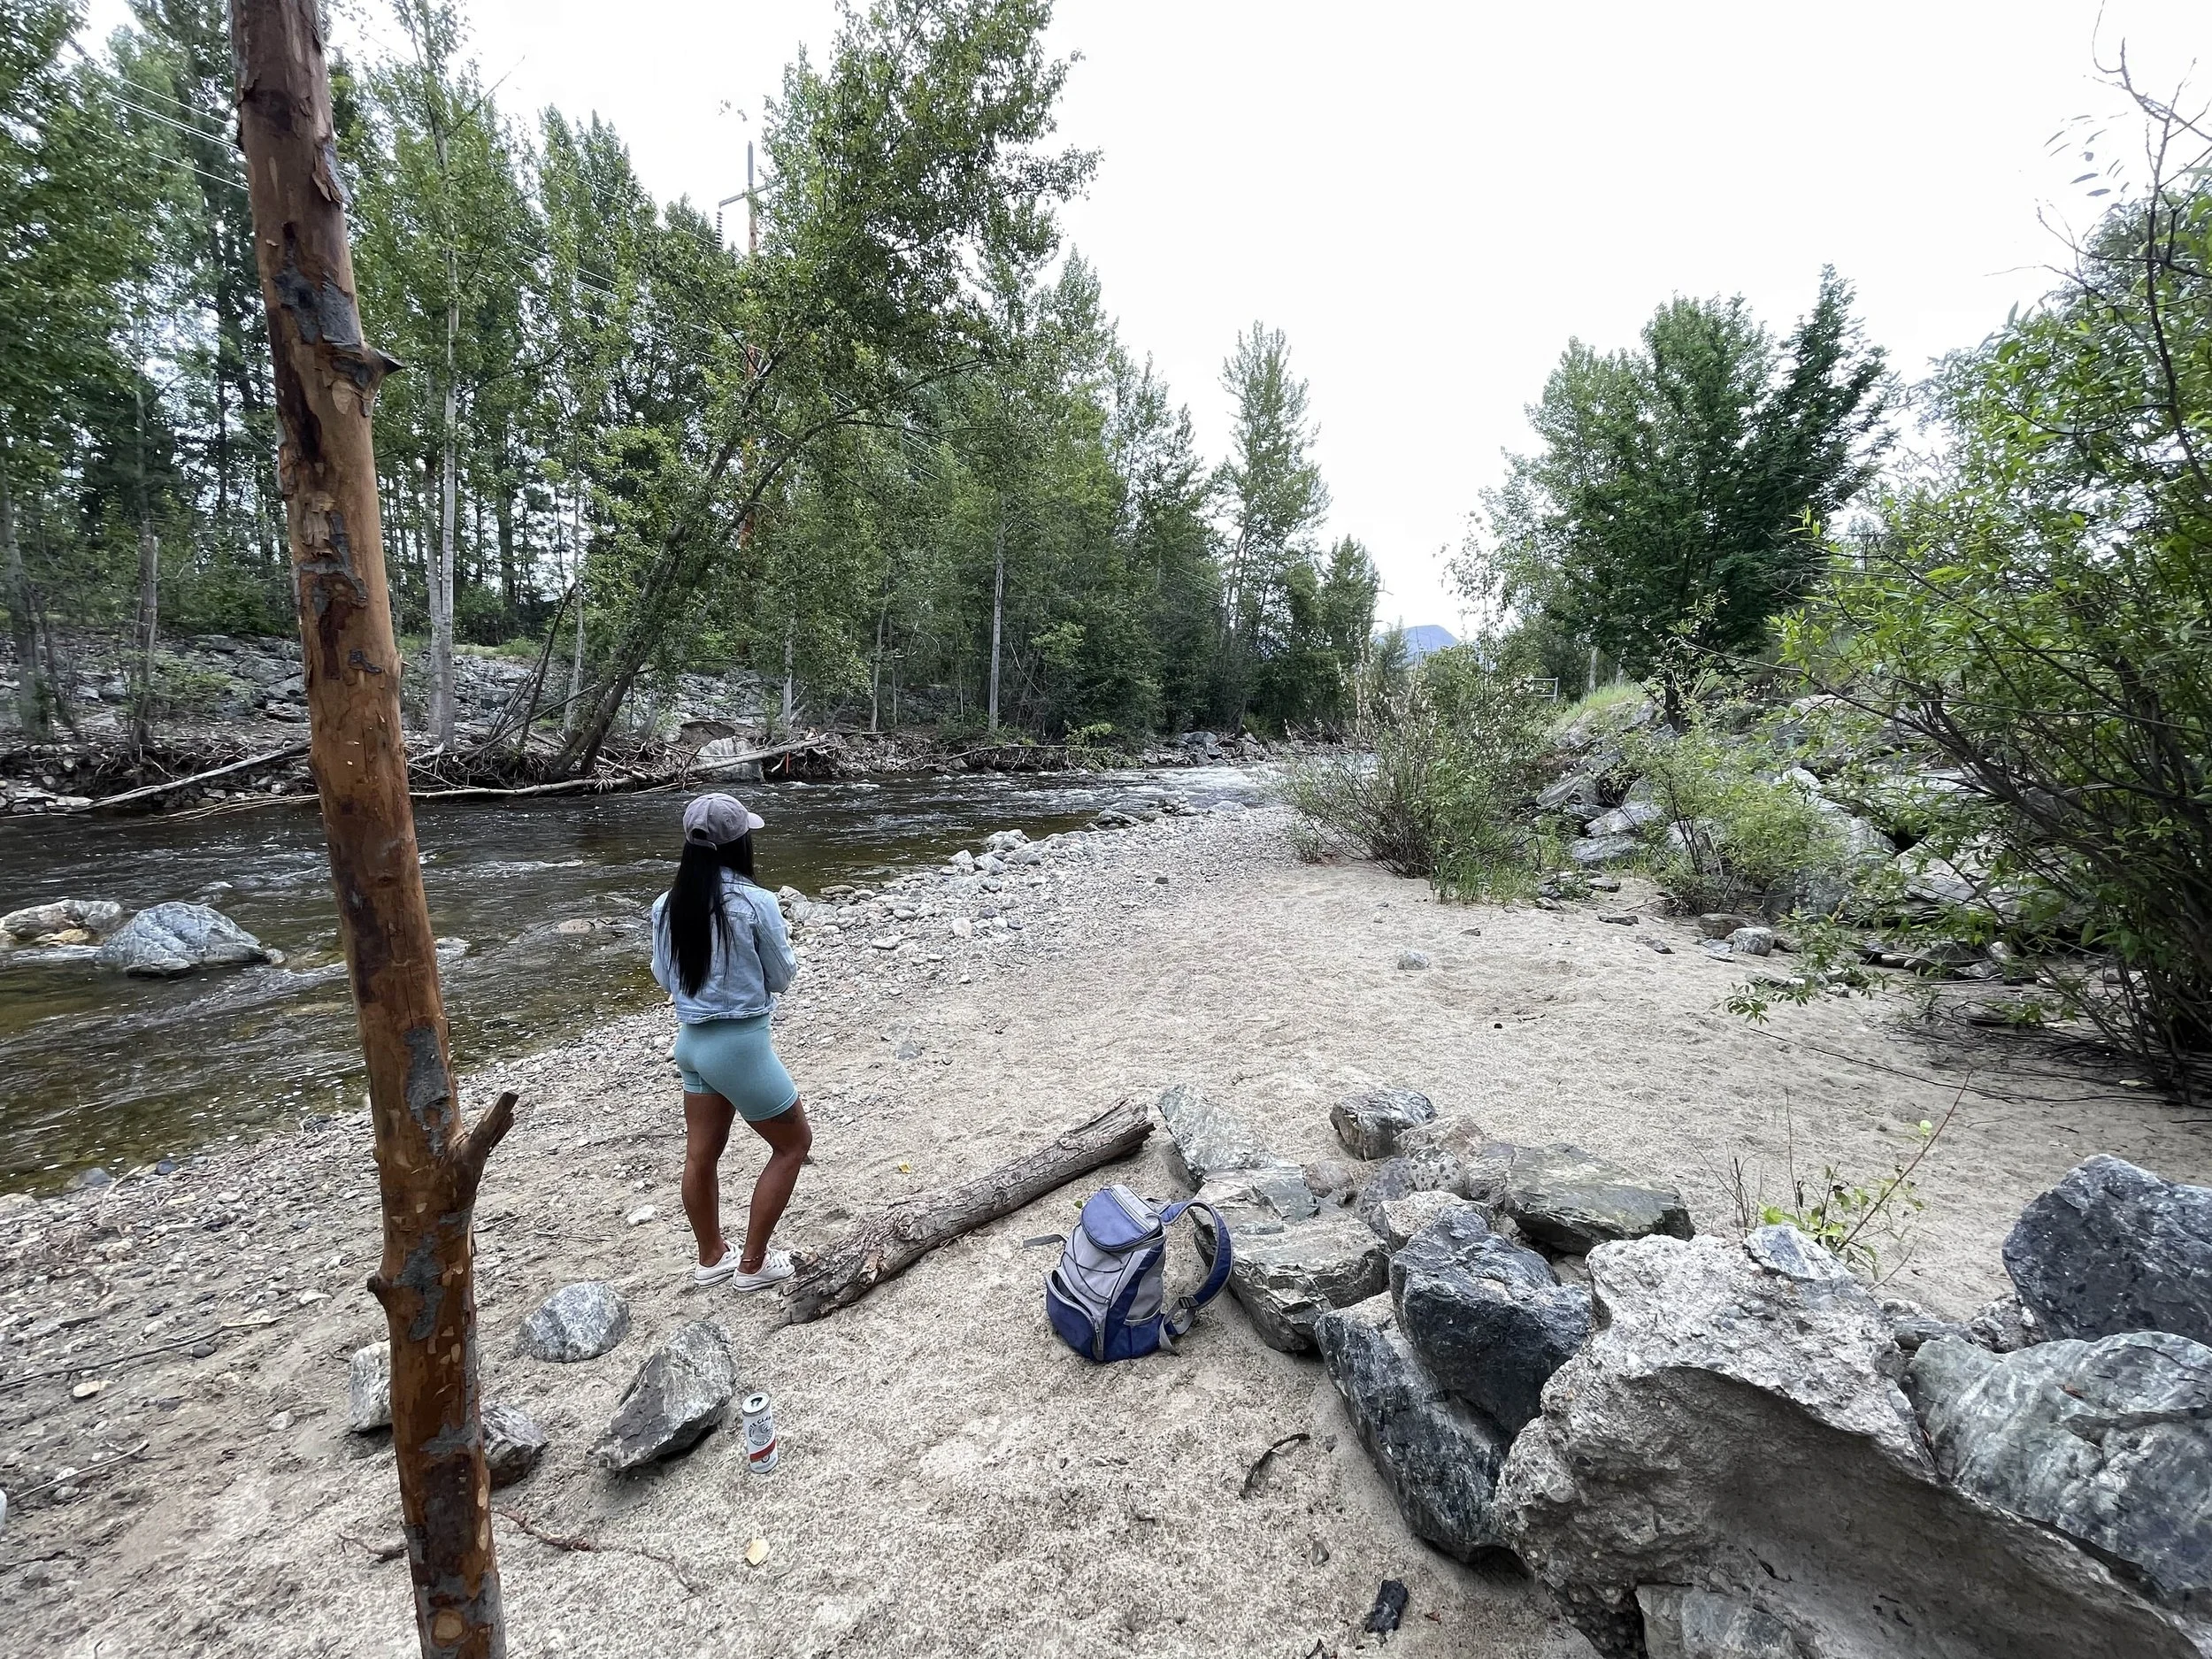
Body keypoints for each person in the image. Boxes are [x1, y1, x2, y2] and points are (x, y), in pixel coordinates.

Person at [649, 792, 812, 1290]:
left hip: (691, 1044)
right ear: (740, 842)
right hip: (740, 1047)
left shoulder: (666, 904)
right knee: (793, 1145)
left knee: (702, 1154)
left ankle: (711, 1258)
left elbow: (663, 975)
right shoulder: (756, 902)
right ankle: (753, 1264)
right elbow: (781, 977)